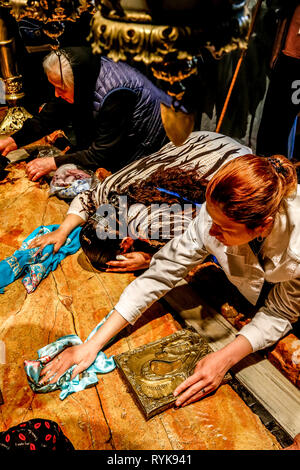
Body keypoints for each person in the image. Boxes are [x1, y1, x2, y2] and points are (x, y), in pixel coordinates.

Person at [35, 151, 300, 409]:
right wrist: (92, 345)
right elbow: (163, 272)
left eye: (224, 229)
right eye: (211, 219)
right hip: (251, 292)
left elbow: (280, 312)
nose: (211, 231)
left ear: (263, 226)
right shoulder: (218, 212)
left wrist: (223, 359)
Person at [28, 131, 252, 272]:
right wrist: (63, 230)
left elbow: (198, 242)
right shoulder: (108, 191)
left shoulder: (154, 224)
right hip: (197, 138)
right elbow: (85, 197)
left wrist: (149, 260)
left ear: (126, 243)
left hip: (235, 163)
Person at [0, 46, 171, 180]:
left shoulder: (116, 94)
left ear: (79, 83)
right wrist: (13, 140)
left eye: (60, 88)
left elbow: (102, 154)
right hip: (112, 138)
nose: (56, 93)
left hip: (144, 147)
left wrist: (52, 162)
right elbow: (50, 115)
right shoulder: (79, 74)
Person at [256, 1, 300, 158]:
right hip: (288, 57)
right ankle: (268, 163)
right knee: (273, 119)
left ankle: (277, 164)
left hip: (295, 59)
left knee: (283, 121)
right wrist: (276, 51)